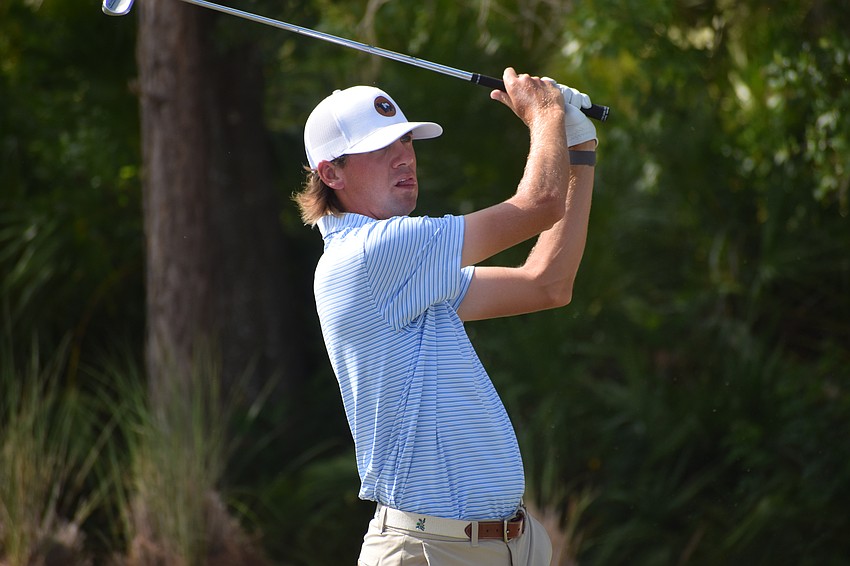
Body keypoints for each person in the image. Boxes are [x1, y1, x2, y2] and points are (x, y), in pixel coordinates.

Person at [295, 67, 597, 566]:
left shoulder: (405, 272)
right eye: (379, 148)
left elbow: (547, 283)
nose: (404, 157)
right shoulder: (373, 255)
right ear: (332, 174)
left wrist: (578, 152)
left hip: (505, 547)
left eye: (407, 141)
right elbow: (538, 205)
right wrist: (546, 114)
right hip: (433, 551)